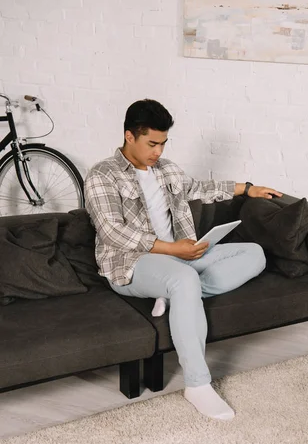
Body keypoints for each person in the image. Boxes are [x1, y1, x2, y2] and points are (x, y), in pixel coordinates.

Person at [84, 99, 282, 421]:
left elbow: (199, 188)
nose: (158, 152)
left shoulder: (167, 170)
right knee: (184, 279)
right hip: (132, 264)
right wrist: (174, 250)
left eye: (163, 143)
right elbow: (112, 233)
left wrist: (247, 188)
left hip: (178, 259)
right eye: (152, 144)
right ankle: (197, 385)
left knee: (255, 254)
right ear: (129, 136)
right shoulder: (102, 175)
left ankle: (175, 294)